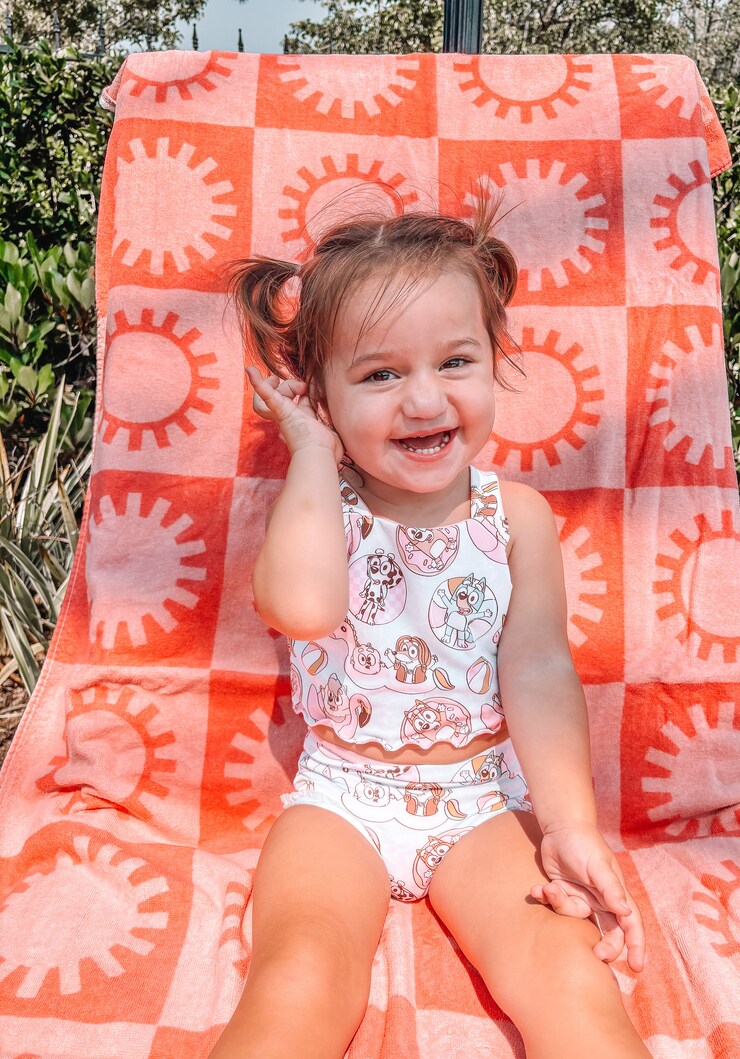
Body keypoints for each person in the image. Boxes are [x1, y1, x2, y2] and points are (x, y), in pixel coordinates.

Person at [210, 196, 651, 1059]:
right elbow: (302, 608)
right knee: (301, 971)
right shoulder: (319, 508)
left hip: (482, 801)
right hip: (340, 799)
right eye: (377, 375)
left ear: (495, 361)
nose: (423, 399)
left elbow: (538, 672)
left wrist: (567, 823)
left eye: (456, 361)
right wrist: (306, 451)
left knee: (568, 977)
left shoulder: (516, 518)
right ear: (321, 394)